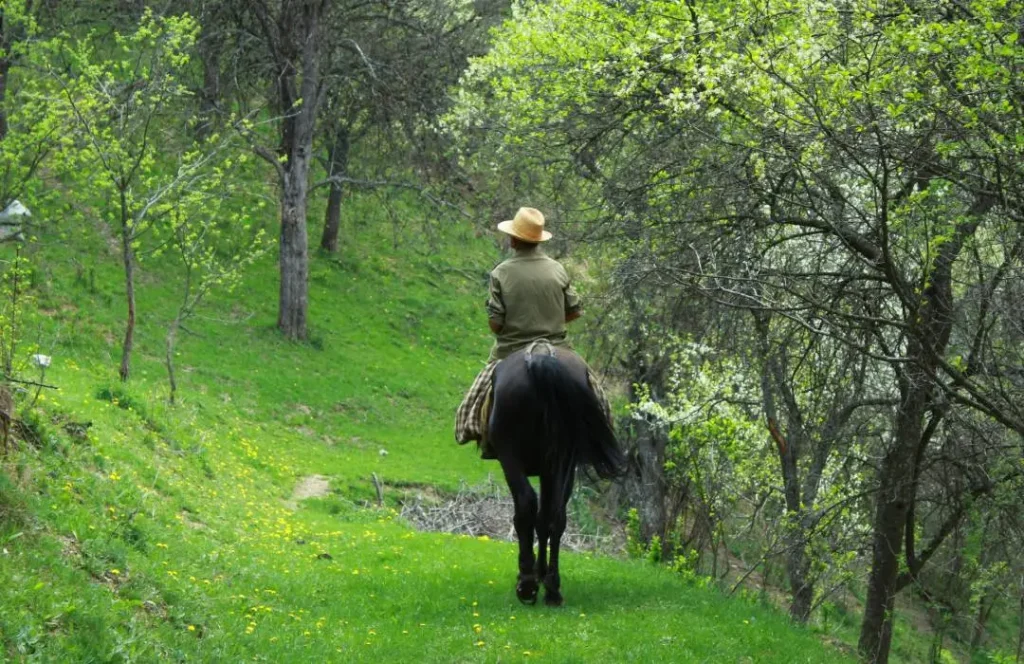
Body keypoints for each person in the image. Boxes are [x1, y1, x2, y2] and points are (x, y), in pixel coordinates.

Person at [455, 206, 605, 458]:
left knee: (474, 400)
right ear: (538, 240)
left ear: (514, 239)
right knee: (596, 393)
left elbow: (495, 324)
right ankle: (602, 432)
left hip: (510, 350)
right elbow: (575, 312)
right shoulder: (557, 269)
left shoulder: (501, 273)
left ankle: (471, 430)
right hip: (558, 346)